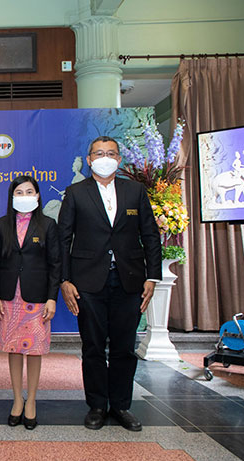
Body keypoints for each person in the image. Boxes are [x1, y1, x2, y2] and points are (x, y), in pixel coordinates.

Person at [58, 136, 161, 432]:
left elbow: (151, 235)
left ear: (119, 159)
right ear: (89, 159)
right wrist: (65, 280)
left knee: (124, 348)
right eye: (99, 153)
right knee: (92, 347)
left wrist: (152, 276)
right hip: (88, 281)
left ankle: (120, 405)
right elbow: (64, 239)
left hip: (129, 280)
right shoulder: (75, 193)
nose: (105, 157)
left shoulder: (135, 191)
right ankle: (97, 405)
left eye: (111, 153)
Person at [0, 175, 61, 430]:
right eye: (19, 192)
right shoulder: (1, 225)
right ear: (12, 197)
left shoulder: (48, 225)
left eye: (29, 191)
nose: (24, 196)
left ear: (38, 195)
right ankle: (16, 399)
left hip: (37, 299)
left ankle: (31, 400)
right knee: (13, 348)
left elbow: (56, 265)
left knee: (34, 349)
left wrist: (52, 298)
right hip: (9, 298)